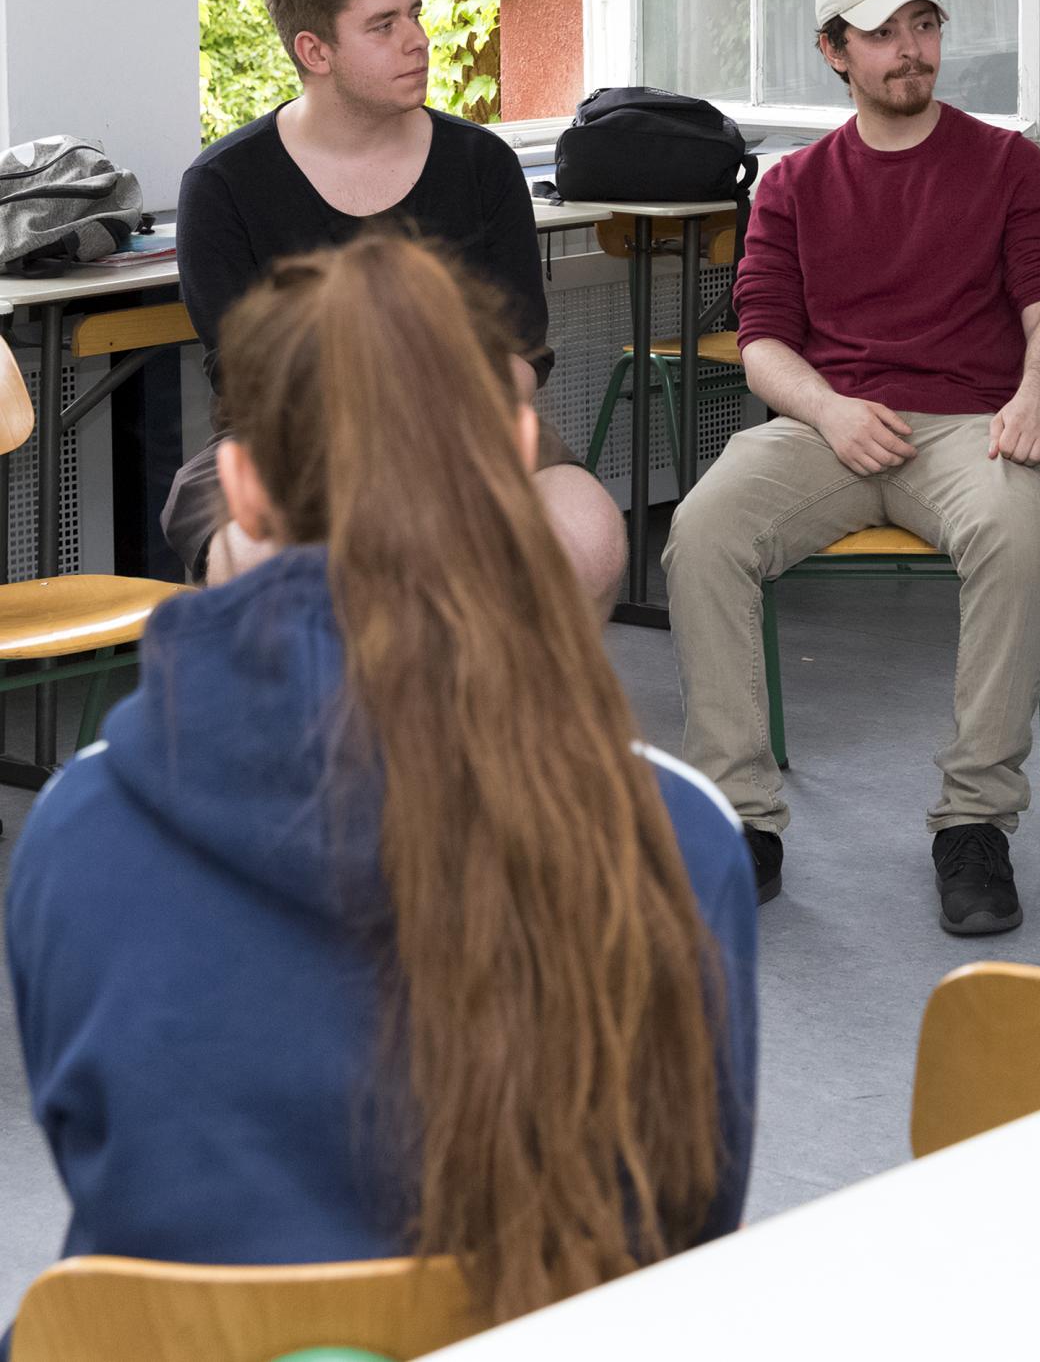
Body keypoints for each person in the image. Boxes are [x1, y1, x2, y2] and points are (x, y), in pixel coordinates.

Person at [7, 236, 756, 1331]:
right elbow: (695, 1228)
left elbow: (100, 1164)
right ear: (515, 457)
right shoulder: (676, 833)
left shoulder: (78, 829)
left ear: (240, 488)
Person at [662, 0, 1040, 919]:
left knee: (1021, 536)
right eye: (883, 33)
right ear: (834, 50)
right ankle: (741, 818)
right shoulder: (793, 185)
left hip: (970, 423)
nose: (910, 50)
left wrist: (1036, 394)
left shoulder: (1006, 164)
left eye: (923, 26)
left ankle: (974, 823)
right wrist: (828, 409)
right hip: (829, 424)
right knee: (703, 530)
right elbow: (763, 342)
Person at [167, 0, 625, 601]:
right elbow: (251, 379)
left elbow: (520, 351)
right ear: (314, 51)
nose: (417, 40)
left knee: (588, 533)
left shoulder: (481, 164)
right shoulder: (223, 185)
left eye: (414, 13)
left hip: (471, 428)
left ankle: (511, 676)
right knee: (263, 559)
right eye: (383, 26)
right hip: (289, 445)